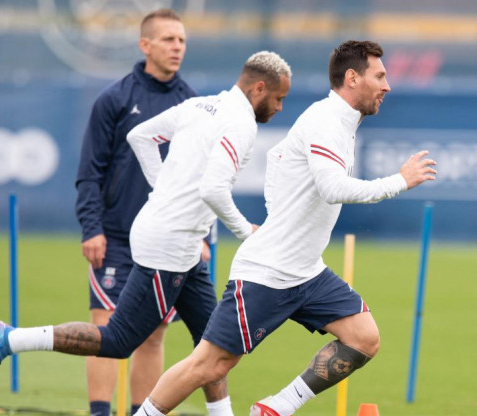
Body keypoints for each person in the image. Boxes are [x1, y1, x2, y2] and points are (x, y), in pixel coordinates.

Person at [0, 50, 293, 416]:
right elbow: (214, 190)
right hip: (167, 246)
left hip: (179, 244)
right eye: (279, 98)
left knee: (214, 346)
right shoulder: (241, 124)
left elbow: (141, 136)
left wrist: (163, 190)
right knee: (118, 340)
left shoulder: (201, 105)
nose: (280, 107)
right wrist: (247, 232)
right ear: (259, 89)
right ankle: (10, 338)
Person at [131, 40, 438, 416]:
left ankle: (275, 409)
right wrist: (400, 181)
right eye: (380, 76)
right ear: (353, 77)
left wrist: (279, 212)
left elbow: (279, 161)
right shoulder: (326, 120)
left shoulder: (340, 122)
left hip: (306, 271)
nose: (387, 85)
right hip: (268, 272)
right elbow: (332, 187)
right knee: (209, 365)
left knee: (363, 339)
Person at [73, 9, 196, 416]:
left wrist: (201, 237)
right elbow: (89, 173)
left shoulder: (193, 106)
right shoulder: (114, 98)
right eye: (168, 39)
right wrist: (92, 228)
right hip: (116, 238)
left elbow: (203, 181)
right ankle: (99, 413)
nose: (177, 46)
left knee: (154, 334)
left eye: (181, 40)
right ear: (145, 45)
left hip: (168, 241)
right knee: (105, 329)